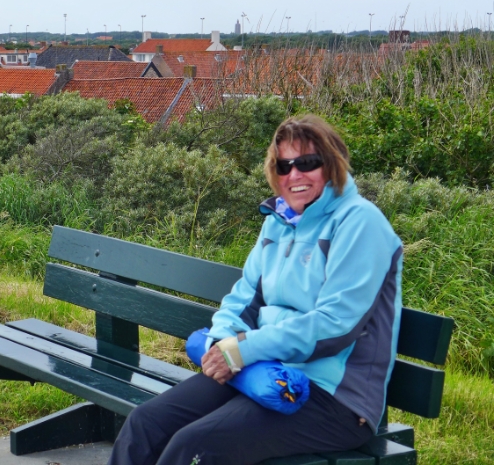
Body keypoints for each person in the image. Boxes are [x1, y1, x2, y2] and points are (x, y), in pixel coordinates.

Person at [107, 114, 403, 465]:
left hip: (333, 399)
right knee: (146, 424)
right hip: (262, 374)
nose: (294, 175)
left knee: (195, 447)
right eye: (284, 166)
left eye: (307, 163)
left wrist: (242, 351)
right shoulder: (278, 222)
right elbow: (245, 297)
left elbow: (334, 325)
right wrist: (223, 342)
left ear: (332, 164)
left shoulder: (360, 223)